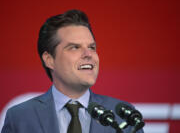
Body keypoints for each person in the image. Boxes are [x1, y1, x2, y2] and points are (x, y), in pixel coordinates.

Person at [1, 10, 144, 133]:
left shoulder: (123, 115)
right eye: (75, 47)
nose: (88, 54)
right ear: (49, 60)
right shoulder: (20, 117)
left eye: (92, 47)